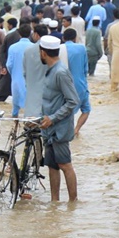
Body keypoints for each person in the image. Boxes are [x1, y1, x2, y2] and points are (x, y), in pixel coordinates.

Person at [38, 35, 79, 203]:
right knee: (52, 166)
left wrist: (53, 118)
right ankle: (54, 202)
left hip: (59, 129)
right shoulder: (51, 71)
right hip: (49, 128)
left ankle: (73, 202)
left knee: (65, 164)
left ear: (43, 53)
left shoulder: (61, 73)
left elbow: (73, 101)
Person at [62, 29, 92, 137]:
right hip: (81, 84)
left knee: (66, 111)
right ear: (75, 38)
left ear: (63, 38)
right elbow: (85, 69)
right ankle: (76, 130)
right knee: (86, 109)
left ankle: (67, 132)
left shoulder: (61, 49)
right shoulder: (81, 48)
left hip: (65, 85)